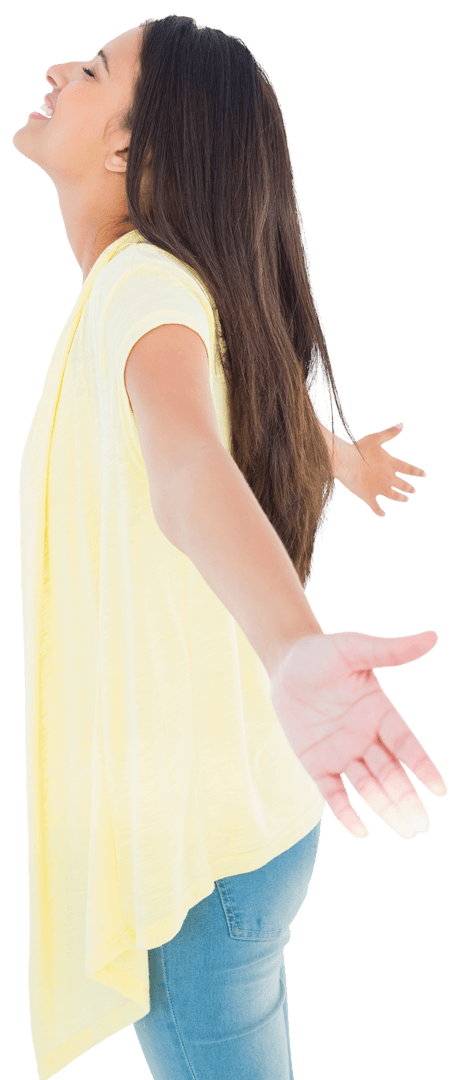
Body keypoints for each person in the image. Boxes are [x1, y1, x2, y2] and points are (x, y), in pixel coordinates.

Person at [13, 15, 448, 1080]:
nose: (55, 69)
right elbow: (231, 401)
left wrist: (294, 646)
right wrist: (338, 457)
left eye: (96, 68)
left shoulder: (141, 291)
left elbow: (187, 464)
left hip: (201, 865)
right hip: (230, 828)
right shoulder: (158, 289)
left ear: (129, 148)